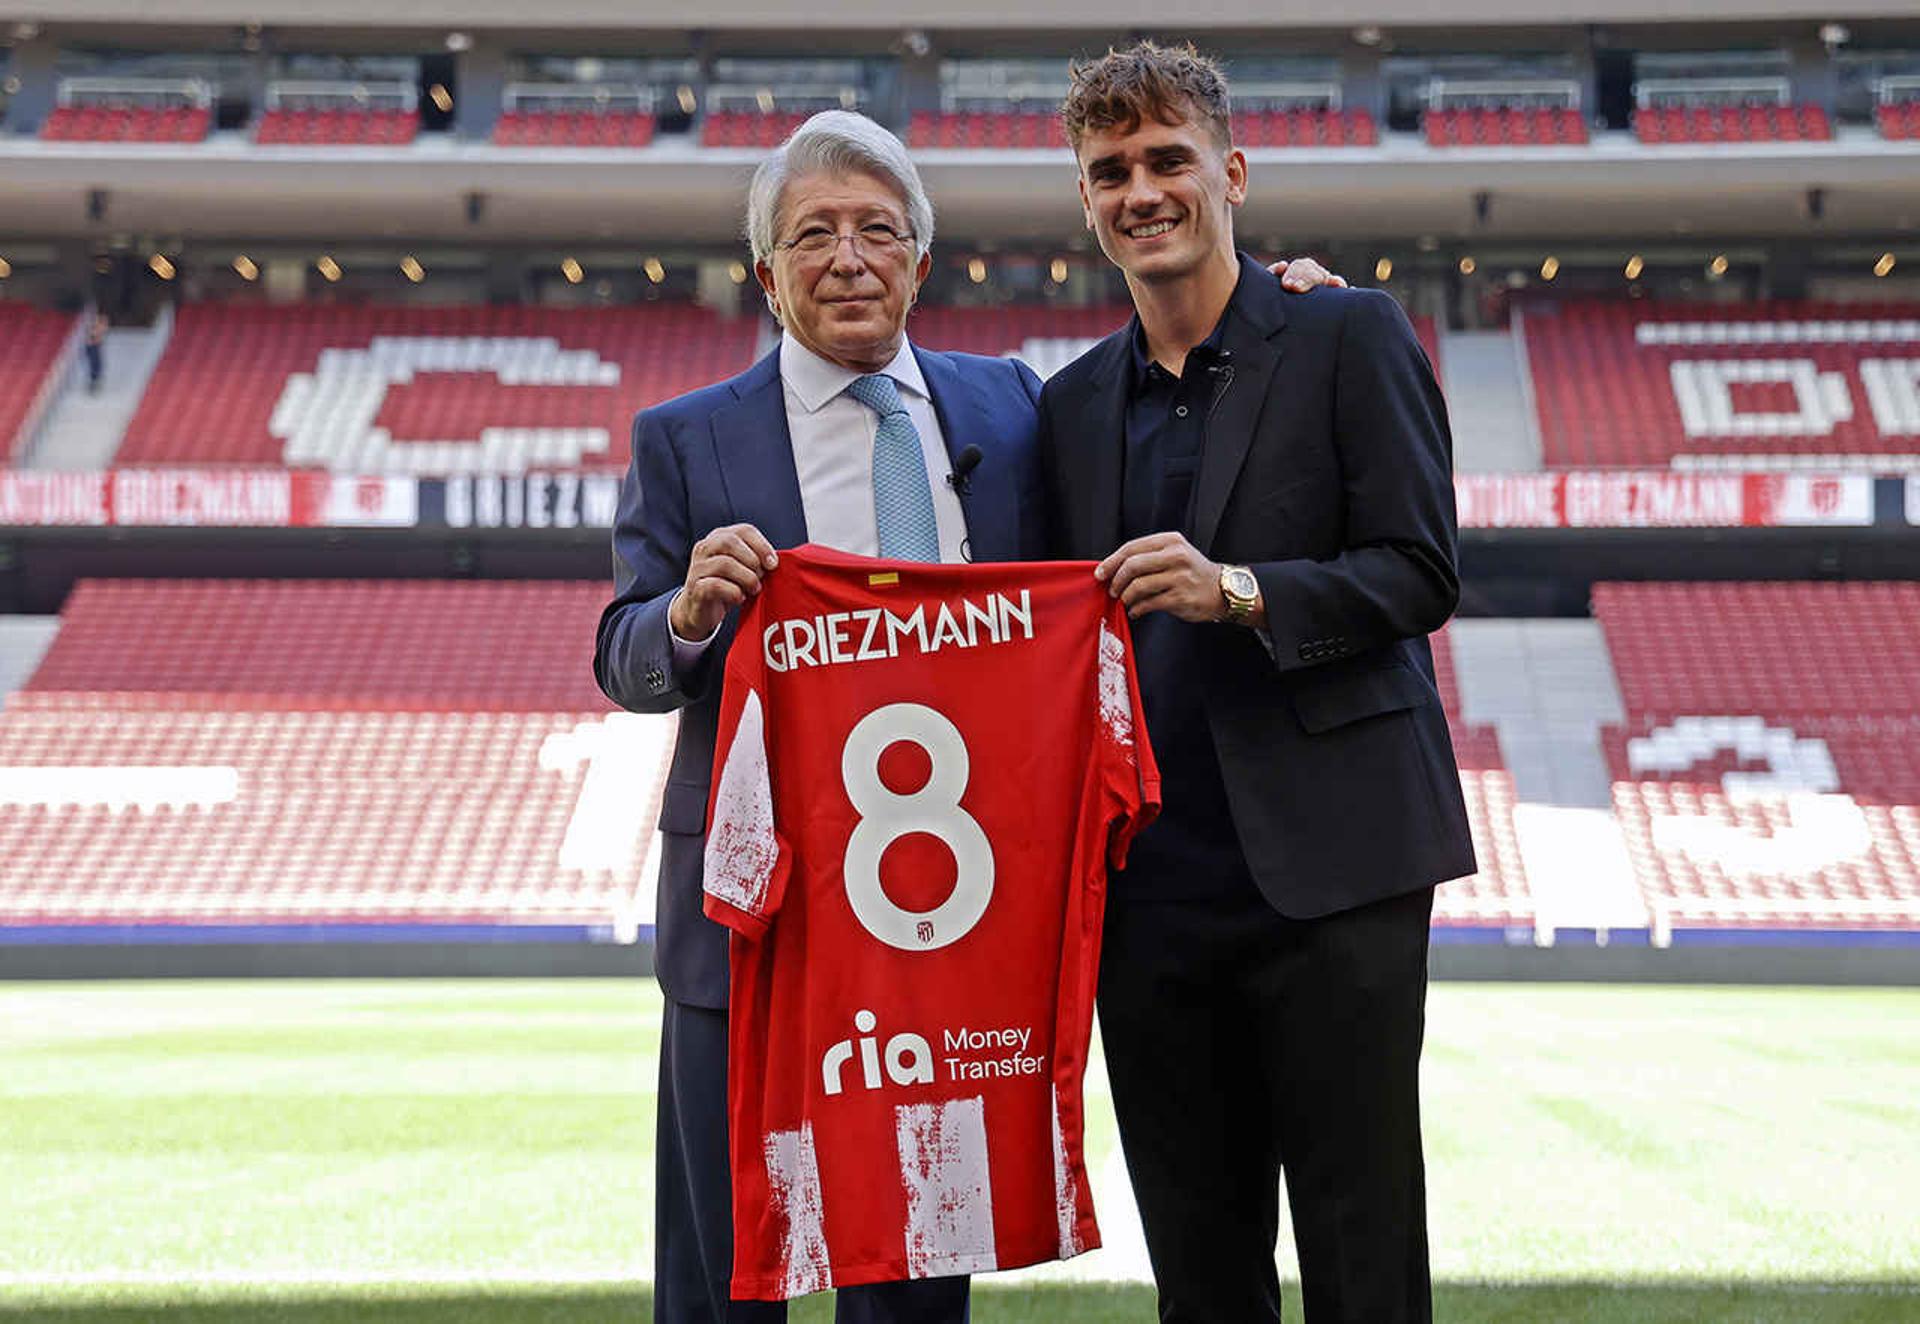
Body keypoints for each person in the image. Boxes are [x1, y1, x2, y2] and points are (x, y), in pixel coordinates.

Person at [593, 109, 1337, 1323]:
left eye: (879, 231)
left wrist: (1284, 309)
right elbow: (620, 655)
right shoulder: (686, 438)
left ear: (921, 264)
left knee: (913, 1289)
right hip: (756, 922)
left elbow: (1151, 442)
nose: (849, 258)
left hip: (936, 917)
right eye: (813, 235)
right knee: (727, 1278)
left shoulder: (1008, 409)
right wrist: (683, 616)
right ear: (767, 271)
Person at [1036, 43, 1476, 1323]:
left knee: (1363, 1243)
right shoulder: (1066, 407)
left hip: (1337, 873)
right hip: (1152, 891)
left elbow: (1420, 569)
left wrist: (1238, 589)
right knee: (1198, 1261)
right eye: (1110, 170)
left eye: (1169, 159)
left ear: (1229, 173)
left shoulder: (1347, 330)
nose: (1142, 189)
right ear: (1086, 203)